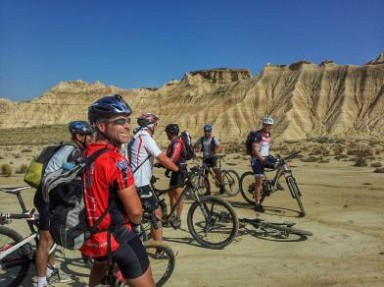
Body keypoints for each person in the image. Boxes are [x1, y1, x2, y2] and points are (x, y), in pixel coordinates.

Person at [82, 94, 155, 287]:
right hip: (120, 238)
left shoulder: (86, 156)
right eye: (120, 121)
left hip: (95, 237)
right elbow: (136, 213)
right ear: (101, 126)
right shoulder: (116, 162)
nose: (127, 126)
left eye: (128, 121)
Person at [34, 120, 95, 287]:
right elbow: (61, 172)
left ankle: (51, 270)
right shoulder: (71, 150)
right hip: (47, 197)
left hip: (54, 195)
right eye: (88, 134)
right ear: (78, 136)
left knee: (53, 236)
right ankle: (41, 283)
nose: (91, 137)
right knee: (45, 240)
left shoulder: (75, 149)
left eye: (91, 134)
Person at [128, 113, 179, 243]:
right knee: (156, 214)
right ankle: (159, 249)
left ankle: (146, 236)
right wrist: (178, 169)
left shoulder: (137, 136)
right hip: (141, 184)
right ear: (150, 125)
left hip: (139, 181)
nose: (156, 126)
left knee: (150, 210)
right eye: (155, 124)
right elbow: (161, 157)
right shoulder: (145, 137)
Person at [250, 115, 280, 212]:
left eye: (269, 125)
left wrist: (271, 157)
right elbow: (255, 149)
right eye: (266, 124)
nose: (267, 126)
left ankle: (274, 182)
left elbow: (266, 147)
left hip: (266, 156)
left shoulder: (269, 134)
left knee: (282, 164)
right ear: (263, 124)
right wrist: (262, 160)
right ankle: (257, 203)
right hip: (257, 159)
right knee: (259, 182)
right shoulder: (258, 135)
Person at [164, 123, 186, 228]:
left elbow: (173, 158)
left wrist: (163, 163)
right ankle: (172, 216)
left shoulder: (177, 142)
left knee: (178, 195)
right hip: (175, 171)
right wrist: (167, 168)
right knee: (171, 193)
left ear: (170, 133)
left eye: (167, 133)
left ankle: (178, 218)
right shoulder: (173, 143)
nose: (166, 135)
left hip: (180, 171)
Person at [193, 124, 224, 195]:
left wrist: (215, 152)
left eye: (208, 131)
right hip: (205, 159)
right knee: (204, 176)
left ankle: (222, 184)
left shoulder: (213, 139)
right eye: (205, 131)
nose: (207, 133)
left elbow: (219, 147)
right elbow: (196, 145)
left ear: (210, 131)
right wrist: (195, 150)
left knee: (215, 170)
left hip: (212, 158)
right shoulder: (202, 139)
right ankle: (208, 191)